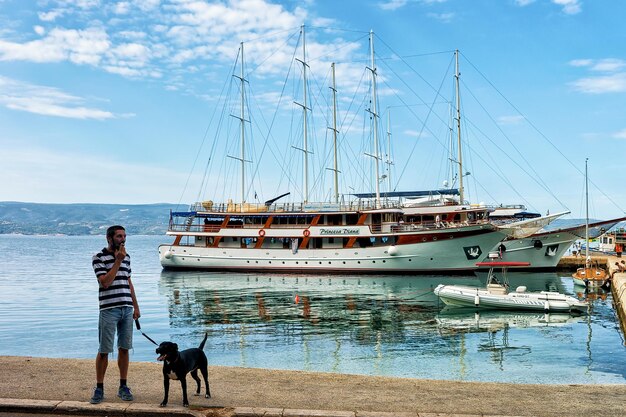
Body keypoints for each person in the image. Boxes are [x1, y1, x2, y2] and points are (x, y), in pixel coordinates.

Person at [90, 225, 140, 404]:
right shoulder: (98, 258)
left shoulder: (127, 257)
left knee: (125, 348)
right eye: (119, 236)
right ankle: (99, 388)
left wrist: (136, 306)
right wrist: (117, 261)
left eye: (125, 236)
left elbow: (128, 282)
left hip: (126, 308)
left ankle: (123, 386)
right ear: (109, 238)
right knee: (104, 350)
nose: (123, 239)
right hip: (108, 309)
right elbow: (105, 283)